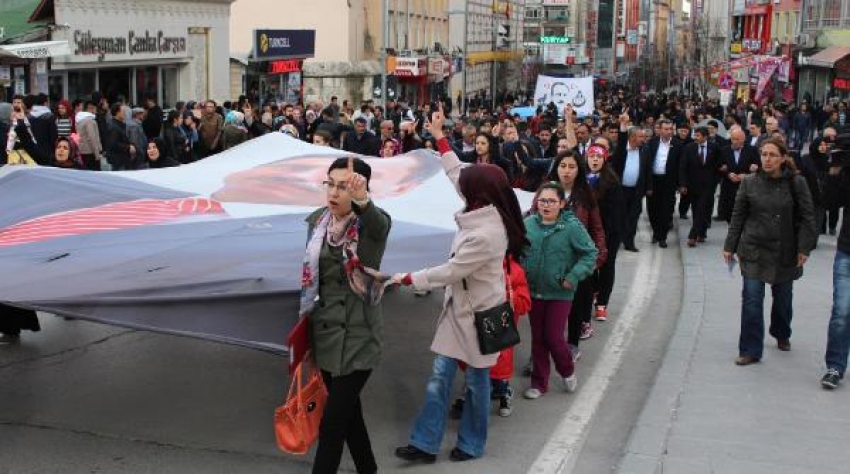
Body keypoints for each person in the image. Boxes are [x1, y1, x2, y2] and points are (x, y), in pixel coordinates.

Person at [392, 103, 528, 463]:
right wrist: (439, 137)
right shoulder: (483, 206)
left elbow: (450, 272)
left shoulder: (485, 232)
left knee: (476, 383)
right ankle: (424, 444)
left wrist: (407, 277)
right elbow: (458, 176)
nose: (461, 184)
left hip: (479, 315)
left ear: (478, 192)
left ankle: (471, 443)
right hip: (461, 311)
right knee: (440, 379)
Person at [303, 157, 391, 474]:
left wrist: (363, 200)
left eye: (344, 186)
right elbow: (315, 279)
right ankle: (368, 469)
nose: (334, 192)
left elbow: (380, 225)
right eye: (331, 184)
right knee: (349, 415)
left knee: (332, 425)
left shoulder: (371, 225)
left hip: (359, 336)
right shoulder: (317, 223)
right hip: (325, 334)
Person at [723, 138, 817, 366]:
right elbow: (738, 216)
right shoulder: (749, 183)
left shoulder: (797, 183)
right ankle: (750, 349)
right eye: (764, 154)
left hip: (785, 250)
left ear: (783, 157)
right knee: (752, 300)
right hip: (754, 249)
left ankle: (781, 331)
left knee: (783, 299)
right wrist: (729, 245)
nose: (767, 159)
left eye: (773, 155)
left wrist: (804, 247)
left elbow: (808, 217)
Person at [522, 181, 598, 399]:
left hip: (560, 292)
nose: (546, 205)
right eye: (542, 200)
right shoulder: (528, 225)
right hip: (534, 291)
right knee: (538, 338)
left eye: (551, 201)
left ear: (562, 203)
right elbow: (518, 251)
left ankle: (567, 370)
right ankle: (539, 383)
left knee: (553, 336)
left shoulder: (572, 227)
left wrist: (573, 276)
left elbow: (590, 253)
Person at [821, 153, 850, 389]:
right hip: (847, 252)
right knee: (842, 311)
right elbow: (830, 203)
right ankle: (835, 366)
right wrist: (835, 170)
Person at [586, 145, 624, 322]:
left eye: (598, 157)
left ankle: (602, 304)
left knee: (607, 267)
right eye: (591, 156)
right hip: (586, 233)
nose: (594, 160)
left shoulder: (612, 182)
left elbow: (617, 213)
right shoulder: (582, 179)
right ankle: (594, 292)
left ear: (604, 159)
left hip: (608, 233)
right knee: (589, 267)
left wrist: (606, 237)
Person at [680, 127, 720, 247]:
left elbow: (719, 164)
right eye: (695, 135)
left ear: (705, 137)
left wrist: (716, 180)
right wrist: (683, 184)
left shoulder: (714, 147)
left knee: (702, 208)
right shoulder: (689, 148)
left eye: (698, 135)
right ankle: (702, 233)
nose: (695, 138)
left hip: (708, 185)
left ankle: (692, 235)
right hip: (693, 185)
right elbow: (683, 167)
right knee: (696, 209)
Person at [646, 118, 683, 247]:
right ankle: (656, 232)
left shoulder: (678, 145)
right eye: (666, 129)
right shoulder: (652, 142)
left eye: (670, 129)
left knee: (666, 210)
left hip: (669, 181)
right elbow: (647, 163)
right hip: (654, 181)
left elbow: (680, 165)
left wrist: (681, 184)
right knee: (652, 209)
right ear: (660, 130)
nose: (668, 132)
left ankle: (662, 236)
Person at [717, 128, 760, 223]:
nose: (734, 142)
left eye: (737, 139)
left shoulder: (752, 150)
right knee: (729, 215)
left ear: (743, 139)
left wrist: (746, 175)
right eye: (733, 139)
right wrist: (728, 174)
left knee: (745, 215)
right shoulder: (724, 150)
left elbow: (758, 167)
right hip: (729, 188)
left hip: (746, 187)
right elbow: (718, 167)